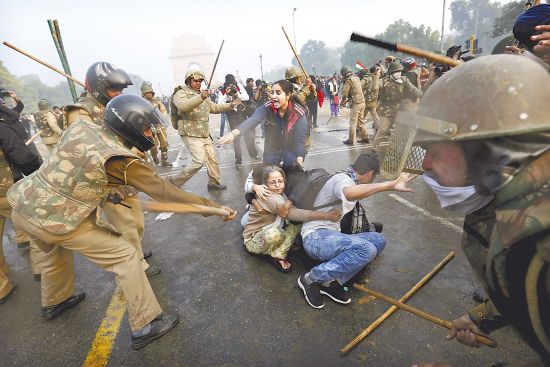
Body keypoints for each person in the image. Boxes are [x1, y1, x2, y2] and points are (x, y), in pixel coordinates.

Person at [7, 94, 236, 349]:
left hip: (24, 205)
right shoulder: (120, 160)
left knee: (53, 253)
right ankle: (145, 324)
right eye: (146, 127)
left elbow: (77, 167)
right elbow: (167, 193)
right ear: (131, 125)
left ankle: (55, 300)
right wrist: (212, 208)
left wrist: (106, 189)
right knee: (125, 255)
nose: (150, 132)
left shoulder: (83, 126)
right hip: (56, 219)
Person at [391, 55, 550, 365]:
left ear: (487, 153)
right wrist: (483, 317)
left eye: (434, 150)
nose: (424, 164)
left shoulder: (541, 248)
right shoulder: (505, 207)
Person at [297, 151, 416, 309]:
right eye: (373, 178)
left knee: (378, 241)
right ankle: (311, 278)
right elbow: (349, 193)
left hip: (330, 236)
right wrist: (390, 185)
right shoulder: (342, 179)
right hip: (315, 238)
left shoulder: (347, 177)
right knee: (366, 249)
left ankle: (331, 281)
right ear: (370, 174)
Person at [243, 165, 340, 272]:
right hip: (254, 240)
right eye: (272, 182)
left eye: (280, 181)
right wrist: (327, 216)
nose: (277, 185)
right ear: (265, 184)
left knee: (296, 226)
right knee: (274, 234)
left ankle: (278, 252)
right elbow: (293, 213)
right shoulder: (268, 196)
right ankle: (270, 252)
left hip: (274, 228)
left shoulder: (281, 194)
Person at [0, 100, 43, 304]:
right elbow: (20, 154)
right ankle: (42, 268)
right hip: (5, 189)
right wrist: (37, 167)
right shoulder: (2, 125)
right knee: (33, 226)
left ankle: (2, 287)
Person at [169, 70, 239, 190]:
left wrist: (230, 105)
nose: (198, 83)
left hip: (203, 133)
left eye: (200, 81)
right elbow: (183, 106)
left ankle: (213, 182)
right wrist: (201, 97)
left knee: (212, 159)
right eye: (195, 80)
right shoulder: (181, 92)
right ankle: (173, 183)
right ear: (188, 81)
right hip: (190, 132)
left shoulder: (203, 94)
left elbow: (214, 108)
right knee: (198, 162)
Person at [218, 79, 307, 169]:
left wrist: (299, 167)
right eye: (272, 92)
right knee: (269, 175)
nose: (273, 96)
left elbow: (300, 142)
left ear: (288, 95)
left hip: (290, 148)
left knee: (292, 172)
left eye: (278, 93)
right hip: (272, 148)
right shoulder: (268, 106)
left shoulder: (298, 113)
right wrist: (233, 134)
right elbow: (253, 120)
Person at [373, 61, 423, 151]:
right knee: (383, 130)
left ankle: (398, 148)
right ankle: (375, 147)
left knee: (403, 130)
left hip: (399, 110)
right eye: (396, 72)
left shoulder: (404, 80)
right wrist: (376, 76)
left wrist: (422, 95)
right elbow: (374, 87)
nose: (398, 73)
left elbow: (413, 90)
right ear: (391, 73)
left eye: (400, 71)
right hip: (386, 111)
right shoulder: (383, 81)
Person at [218, 81, 258, 169]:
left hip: (242, 115)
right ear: (225, 87)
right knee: (236, 139)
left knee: (250, 136)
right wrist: (226, 94)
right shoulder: (222, 92)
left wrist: (237, 93)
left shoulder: (239, 87)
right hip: (232, 116)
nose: (231, 89)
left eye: (232, 86)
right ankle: (238, 160)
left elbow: (246, 97)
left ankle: (253, 153)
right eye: (229, 87)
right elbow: (219, 105)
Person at [141, 81, 170, 167]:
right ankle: (154, 157)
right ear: (144, 93)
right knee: (153, 146)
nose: (149, 94)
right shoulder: (141, 102)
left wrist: (161, 119)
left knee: (164, 144)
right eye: (147, 93)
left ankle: (164, 160)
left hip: (160, 126)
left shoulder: (157, 101)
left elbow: (164, 111)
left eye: (150, 92)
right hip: (149, 128)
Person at [340, 66, 368, 145]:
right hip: (362, 102)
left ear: (345, 74)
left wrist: (342, 102)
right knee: (361, 121)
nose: (342, 76)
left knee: (353, 122)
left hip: (356, 104)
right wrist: (348, 100)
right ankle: (365, 138)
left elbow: (345, 94)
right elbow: (355, 91)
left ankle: (351, 140)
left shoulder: (349, 80)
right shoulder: (357, 78)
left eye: (343, 75)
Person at [359, 66, 381, 138]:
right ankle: (379, 129)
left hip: (366, 101)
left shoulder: (366, 79)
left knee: (361, 117)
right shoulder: (376, 79)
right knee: (375, 116)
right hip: (373, 101)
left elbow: (359, 87)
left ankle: (357, 128)